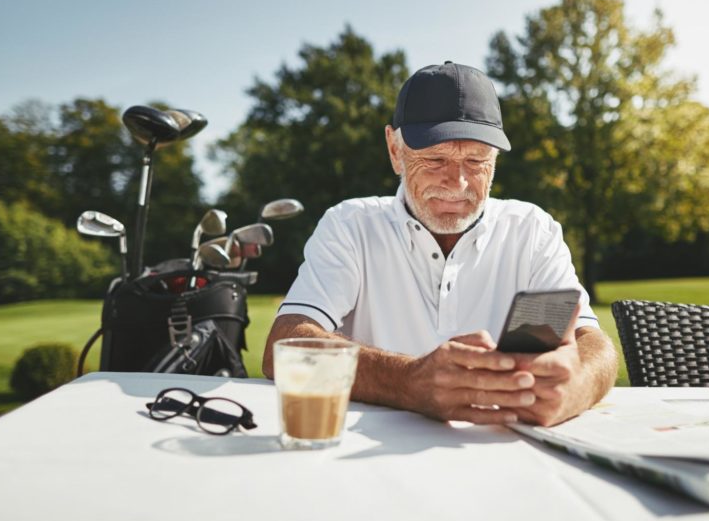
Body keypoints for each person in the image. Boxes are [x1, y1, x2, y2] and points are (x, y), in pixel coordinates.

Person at [264, 61, 617, 426]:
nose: (458, 183)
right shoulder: (352, 226)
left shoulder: (529, 233)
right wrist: (406, 381)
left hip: (496, 456)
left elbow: (588, 341)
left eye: (477, 160)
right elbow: (285, 345)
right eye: (435, 159)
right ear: (394, 150)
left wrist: (576, 387)